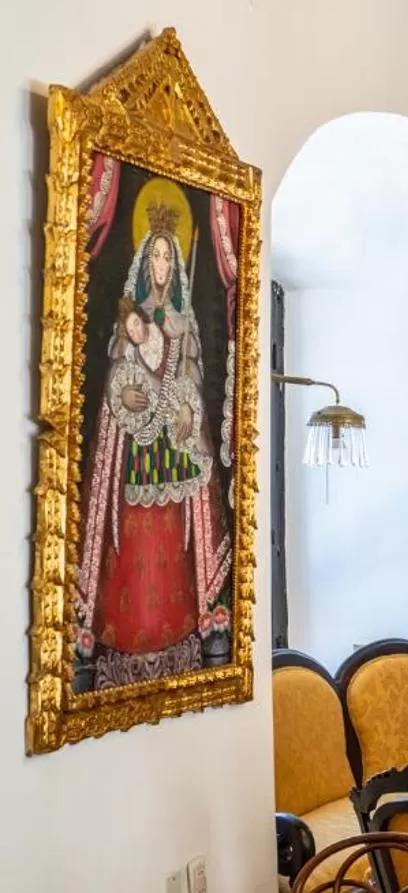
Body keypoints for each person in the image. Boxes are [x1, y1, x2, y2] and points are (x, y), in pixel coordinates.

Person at [75, 198, 230, 689]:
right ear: (144, 265)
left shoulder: (184, 325)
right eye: (155, 258)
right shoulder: (130, 320)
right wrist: (128, 394)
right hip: (135, 449)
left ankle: (189, 629)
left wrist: (185, 409)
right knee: (134, 551)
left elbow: (189, 379)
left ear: (176, 265)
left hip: (175, 455)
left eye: (168, 258)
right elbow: (117, 381)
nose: (161, 266)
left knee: (171, 551)